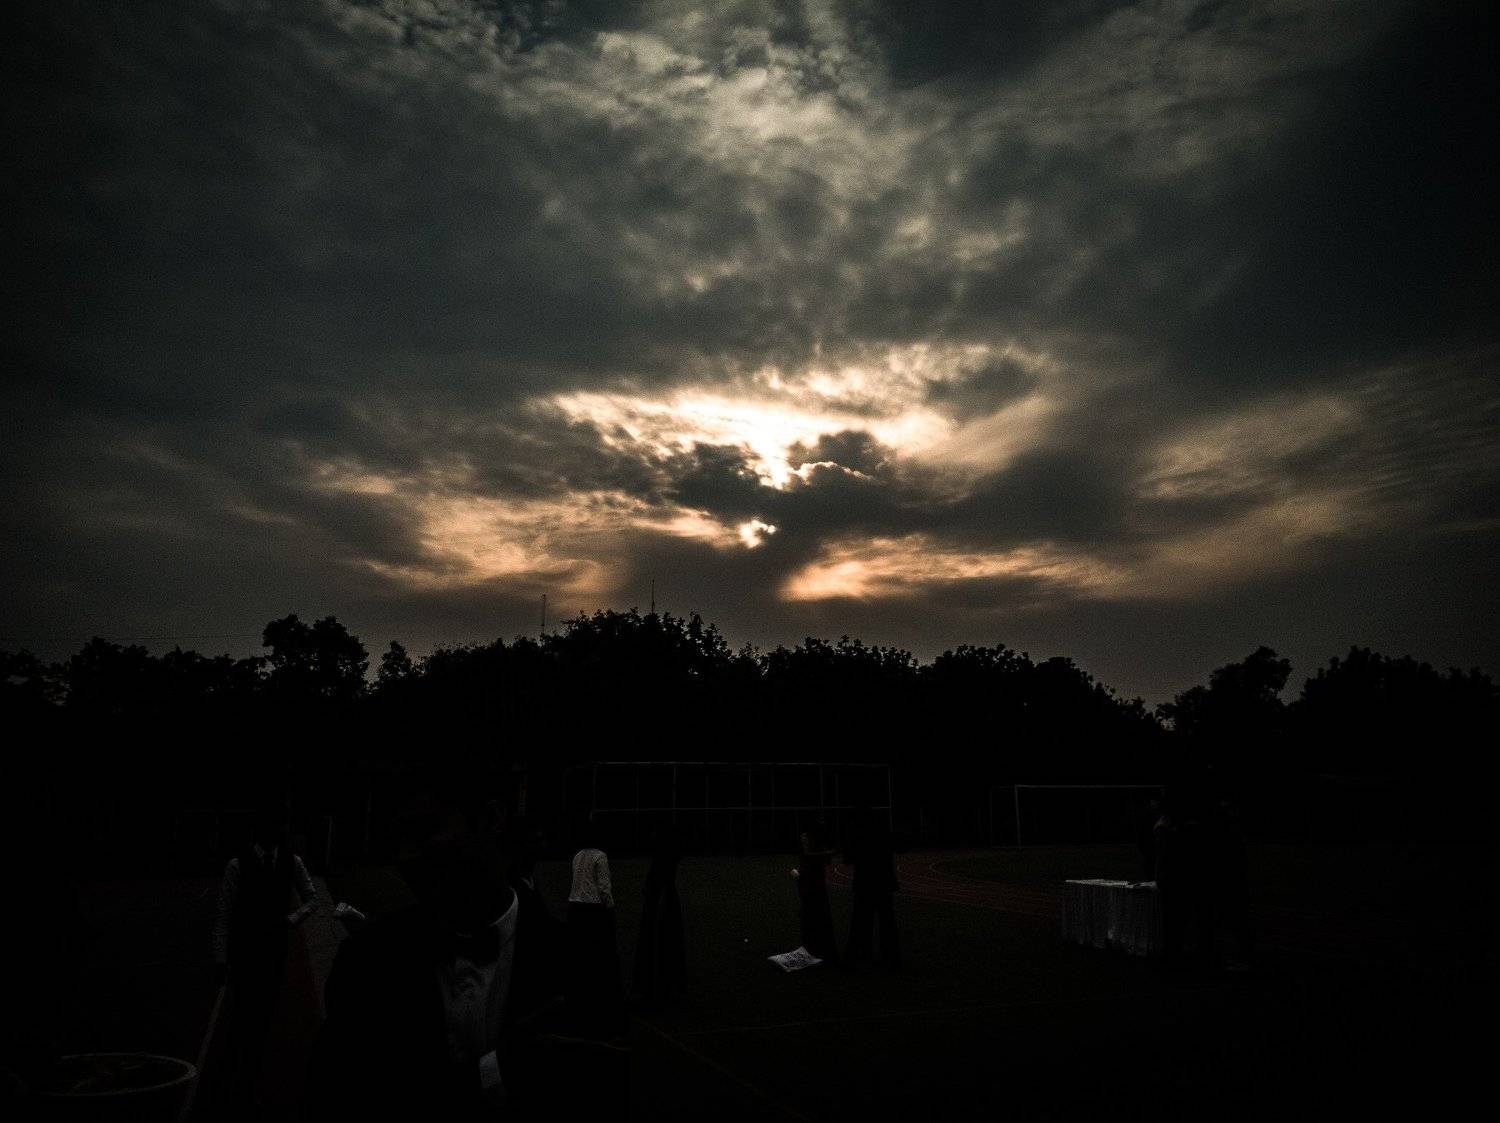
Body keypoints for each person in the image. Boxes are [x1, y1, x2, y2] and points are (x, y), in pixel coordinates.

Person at [306, 790, 568, 1118]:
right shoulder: (366, 960)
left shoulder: (571, 960)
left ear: (491, 819)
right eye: (397, 840)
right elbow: (337, 1096)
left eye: (423, 831)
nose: (404, 857)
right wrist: (494, 1073)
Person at [211, 802, 318, 1109]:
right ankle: (238, 1079)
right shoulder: (237, 865)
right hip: (245, 950)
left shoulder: (291, 862)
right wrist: (220, 957)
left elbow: (311, 899)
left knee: (262, 1014)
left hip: (272, 949)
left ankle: (245, 1079)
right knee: (245, 1014)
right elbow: (223, 914)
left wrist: (290, 920)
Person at [567, 826, 625, 1038]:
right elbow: (603, 886)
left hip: (575, 908)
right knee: (599, 955)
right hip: (593, 910)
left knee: (580, 956)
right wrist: (610, 908)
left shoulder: (577, 856)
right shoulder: (600, 856)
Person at [633, 825, 686, 1005]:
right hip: (664, 900)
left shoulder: (661, 873)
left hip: (660, 901)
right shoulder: (666, 872)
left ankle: (657, 985)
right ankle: (666, 985)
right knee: (666, 942)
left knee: (658, 941)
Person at [843, 807, 900, 969]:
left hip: (864, 884)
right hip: (883, 883)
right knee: (887, 922)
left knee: (861, 922)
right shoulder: (885, 834)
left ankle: (861, 956)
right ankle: (890, 957)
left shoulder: (858, 835)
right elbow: (900, 846)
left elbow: (848, 858)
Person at [792, 819, 837, 964]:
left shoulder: (814, 840)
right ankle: (813, 947)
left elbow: (822, 860)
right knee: (811, 912)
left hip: (814, 881)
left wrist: (826, 854)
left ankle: (817, 948)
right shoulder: (807, 838)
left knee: (816, 913)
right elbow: (808, 855)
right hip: (810, 881)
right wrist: (827, 853)